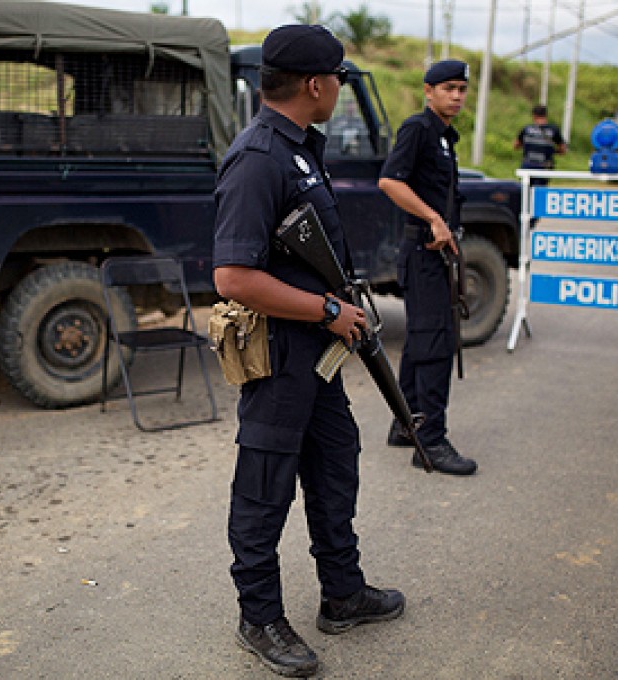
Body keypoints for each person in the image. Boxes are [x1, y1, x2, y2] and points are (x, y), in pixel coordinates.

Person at [213, 24, 405, 678]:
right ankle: (259, 616)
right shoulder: (259, 157)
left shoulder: (297, 149)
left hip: (317, 357)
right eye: (339, 80)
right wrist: (327, 309)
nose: (339, 90)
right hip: (280, 356)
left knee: (335, 464)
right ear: (317, 85)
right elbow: (233, 277)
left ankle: (343, 593)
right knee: (264, 487)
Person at [377, 59, 478, 476]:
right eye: (448, 88)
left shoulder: (444, 137)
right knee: (435, 344)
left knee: (422, 340)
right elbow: (390, 181)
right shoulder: (419, 129)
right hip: (423, 252)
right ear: (428, 91)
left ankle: (407, 423)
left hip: (435, 255)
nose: (456, 95)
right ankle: (431, 441)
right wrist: (434, 218)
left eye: (462, 89)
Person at [515, 104, 567, 179]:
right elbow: (563, 149)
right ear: (546, 115)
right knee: (540, 189)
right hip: (545, 166)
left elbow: (516, 145)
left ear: (534, 116)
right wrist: (554, 151)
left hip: (528, 165)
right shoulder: (553, 130)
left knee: (525, 189)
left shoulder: (526, 129)